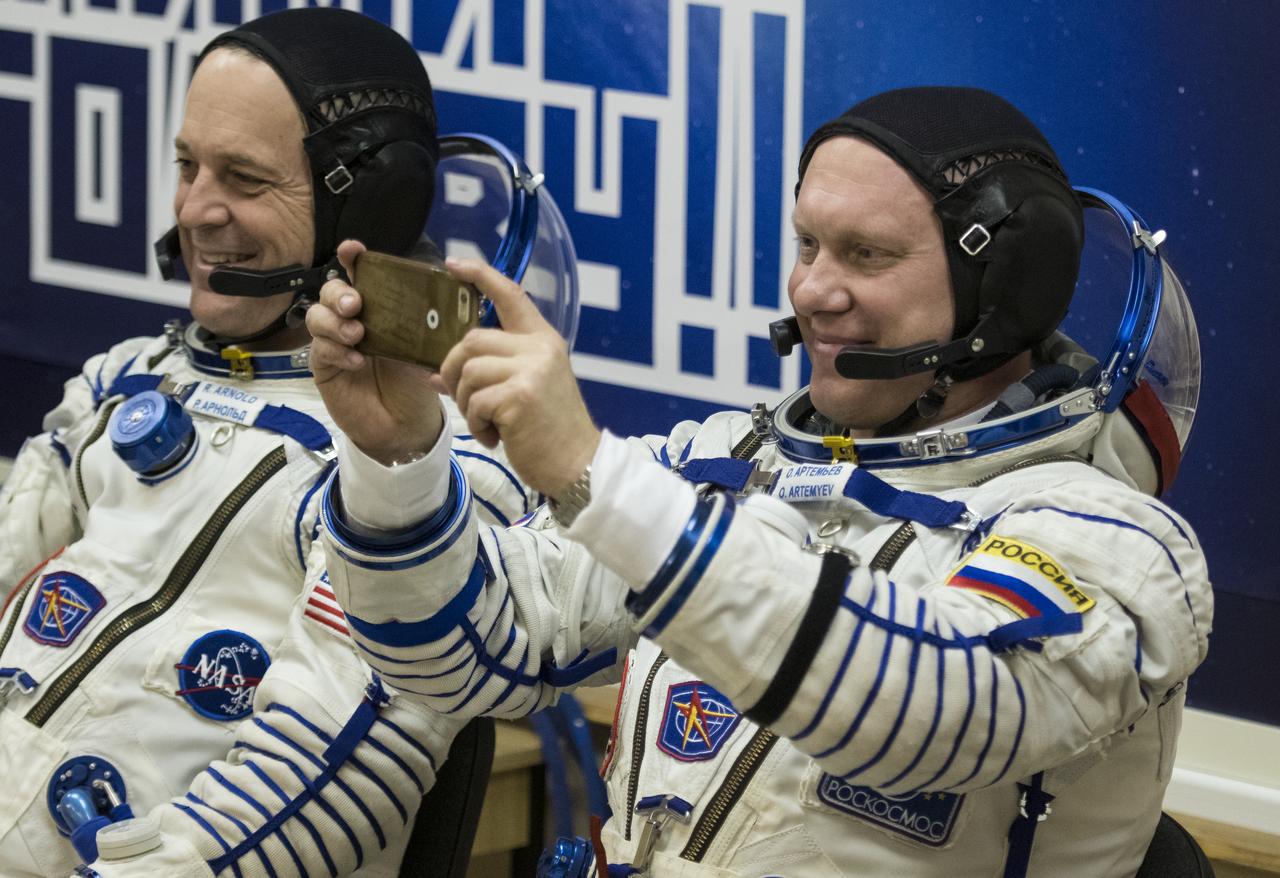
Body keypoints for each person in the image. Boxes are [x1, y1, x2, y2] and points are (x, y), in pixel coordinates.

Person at [308, 87, 1212, 876]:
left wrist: (592, 475)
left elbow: (935, 708)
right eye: (808, 243)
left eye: (865, 255)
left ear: (1001, 288)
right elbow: (454, 659)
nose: (812, 289)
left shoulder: (1109, 538)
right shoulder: (730, 465)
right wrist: (398, 462)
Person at [0, 8, 542, 877]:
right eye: (188, 166)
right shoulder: (124, 383)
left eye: (245, 180)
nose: (195, 211)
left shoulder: (427, 475)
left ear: (368, 201)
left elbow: (313, 791)